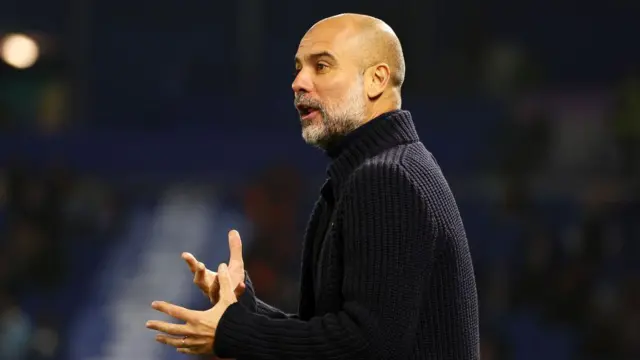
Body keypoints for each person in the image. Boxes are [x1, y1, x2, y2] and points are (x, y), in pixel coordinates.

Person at [145, 13, 480, 359]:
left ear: (376, 80)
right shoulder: (380, 170)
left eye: (321, 66)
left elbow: (369, 345)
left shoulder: (386, 178)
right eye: (298, 68)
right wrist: (246, 312)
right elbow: (337, 333)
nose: (298, 82)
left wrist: (234, 331)